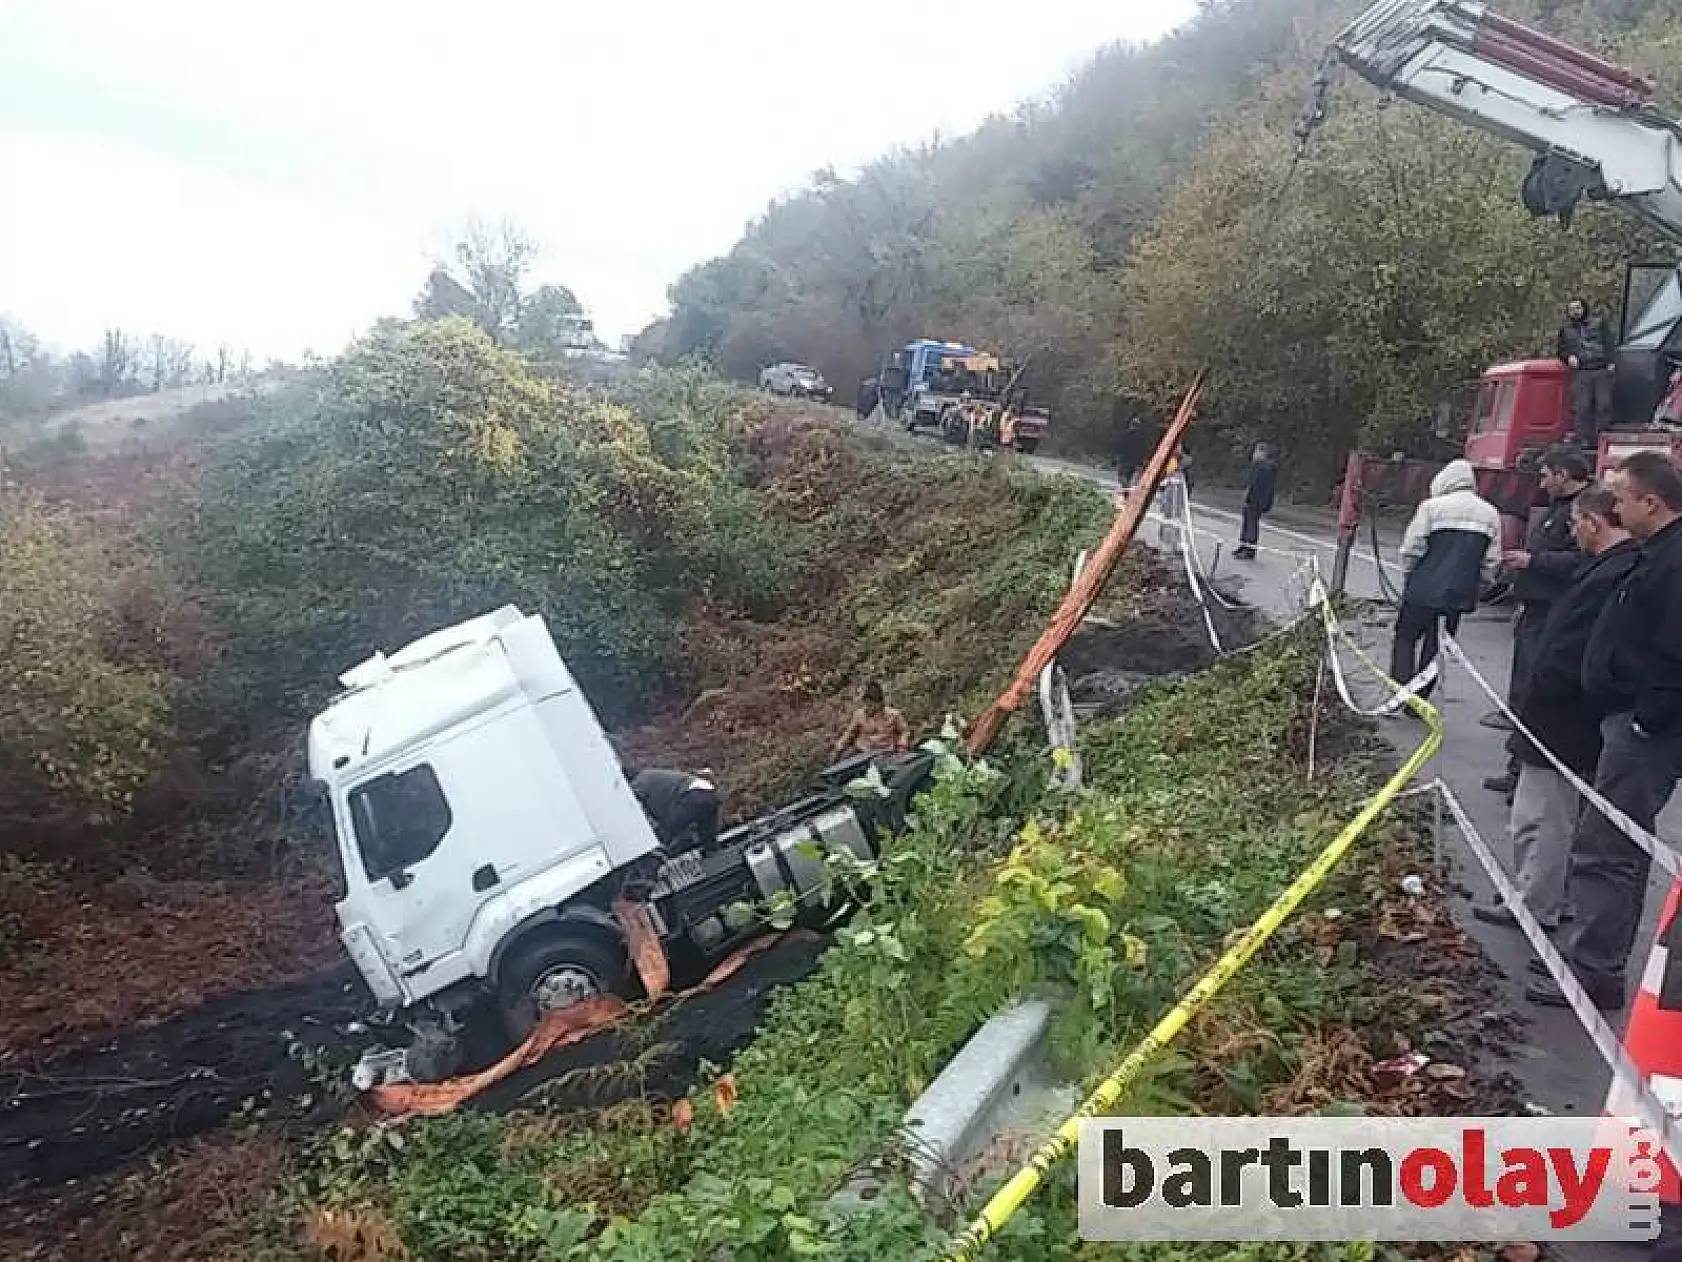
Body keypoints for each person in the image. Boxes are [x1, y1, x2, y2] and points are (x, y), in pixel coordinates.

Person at [1528, 451, 1682, 1012]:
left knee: (1609, 846)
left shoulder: (1672, 561)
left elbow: (1673, 651)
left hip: (1646, 730)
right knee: (1606, 843)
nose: (1612, 507)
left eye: (1620, 497)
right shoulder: (1653, 554)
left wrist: (1647, 719)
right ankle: (1591, 959)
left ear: (1650, 502)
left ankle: (1592, 969)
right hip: (1631, 718)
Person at [1471, 484, 1638, 934]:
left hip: (1560, 717)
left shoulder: (1609, 574)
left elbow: (1578, 647)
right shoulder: (1610, 568)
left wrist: (1543, 690)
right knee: (1556, 817)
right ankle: (1548, 896)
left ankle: (1535, 903)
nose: (1573, 534)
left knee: (1540, 817)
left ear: (1591, 522)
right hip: (1569, 715)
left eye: (1575, 525)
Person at [1481, 446, 1593, 793]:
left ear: (1563, 474)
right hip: (1535, 608)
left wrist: (1534, 562)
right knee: (1522, 690)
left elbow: (1580, 562)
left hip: (1552, 613)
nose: (1542, 483)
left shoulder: (1584, 512)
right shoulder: (1559, 510)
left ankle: (1526, 772)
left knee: (1534, 690)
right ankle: (1517, 767)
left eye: (1546, 475)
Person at [1389, 459, 1501, 701]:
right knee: (1437, 646)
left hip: (1422, 589)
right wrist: (1479, 587)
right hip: (1458, 595)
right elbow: (1491, 561)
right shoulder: (1490, 513)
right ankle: (1420, 699)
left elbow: (1412, 548)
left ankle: (1400, 691)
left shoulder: (1432, 508)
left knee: (1405, 637)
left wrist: (1409, 577)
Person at [1558, 298, 1615, 448]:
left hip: (1600, 368)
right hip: (1582, 371)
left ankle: (1600, 438)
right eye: (1572, 309)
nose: (1575, 311)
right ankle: (1584, 440)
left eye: (1578, 307)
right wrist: (1568, 357)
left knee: (1604, 405)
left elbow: (1609, 343)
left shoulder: (1598, 323)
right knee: (1582, 407)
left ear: (1584, 308)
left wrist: (1611, 362)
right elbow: (1561, 350)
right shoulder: (1565, 330)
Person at [627, 767, 721, 855]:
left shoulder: (638, 783)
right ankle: (715, 856)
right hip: (708, 793)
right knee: (708, 839)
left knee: (667, 830)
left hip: (692, 795)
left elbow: (633, 807)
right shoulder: (650, 774)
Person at [832, 680, 911, 759]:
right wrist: (840, 744)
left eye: (872, 705)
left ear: (880, 703)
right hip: (862, 751)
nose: (869, 708)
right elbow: (849, 733)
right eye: (867, 704)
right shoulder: (859, 714)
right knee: (845, 758)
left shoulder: (894, 715)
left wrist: (902, 743)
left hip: (885, 752)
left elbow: (905, 731)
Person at [1234, 443, 1278, 561]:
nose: (1254, 454)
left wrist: (1251, 496)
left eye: (1257, 451)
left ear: (1262, 453)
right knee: (1247, 522)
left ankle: (1249, 549)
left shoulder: (1265, 467)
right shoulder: (1258, 466)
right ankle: (1243, 546)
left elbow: (1259, 486)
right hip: (1252, 499)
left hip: (1256, 500)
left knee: (1251, 525)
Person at [1115, 417, 1149, 488]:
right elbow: (1144, 450)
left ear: (1131, 425)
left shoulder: (1126, 435)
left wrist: (1117, 458)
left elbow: (1119, 446)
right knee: (1129, 478)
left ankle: (1126, 489)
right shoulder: (1142, 437)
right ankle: (1127, 489)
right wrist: (1143, 461)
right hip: (1135, 462)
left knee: (1122, 477)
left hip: (1126, 461)